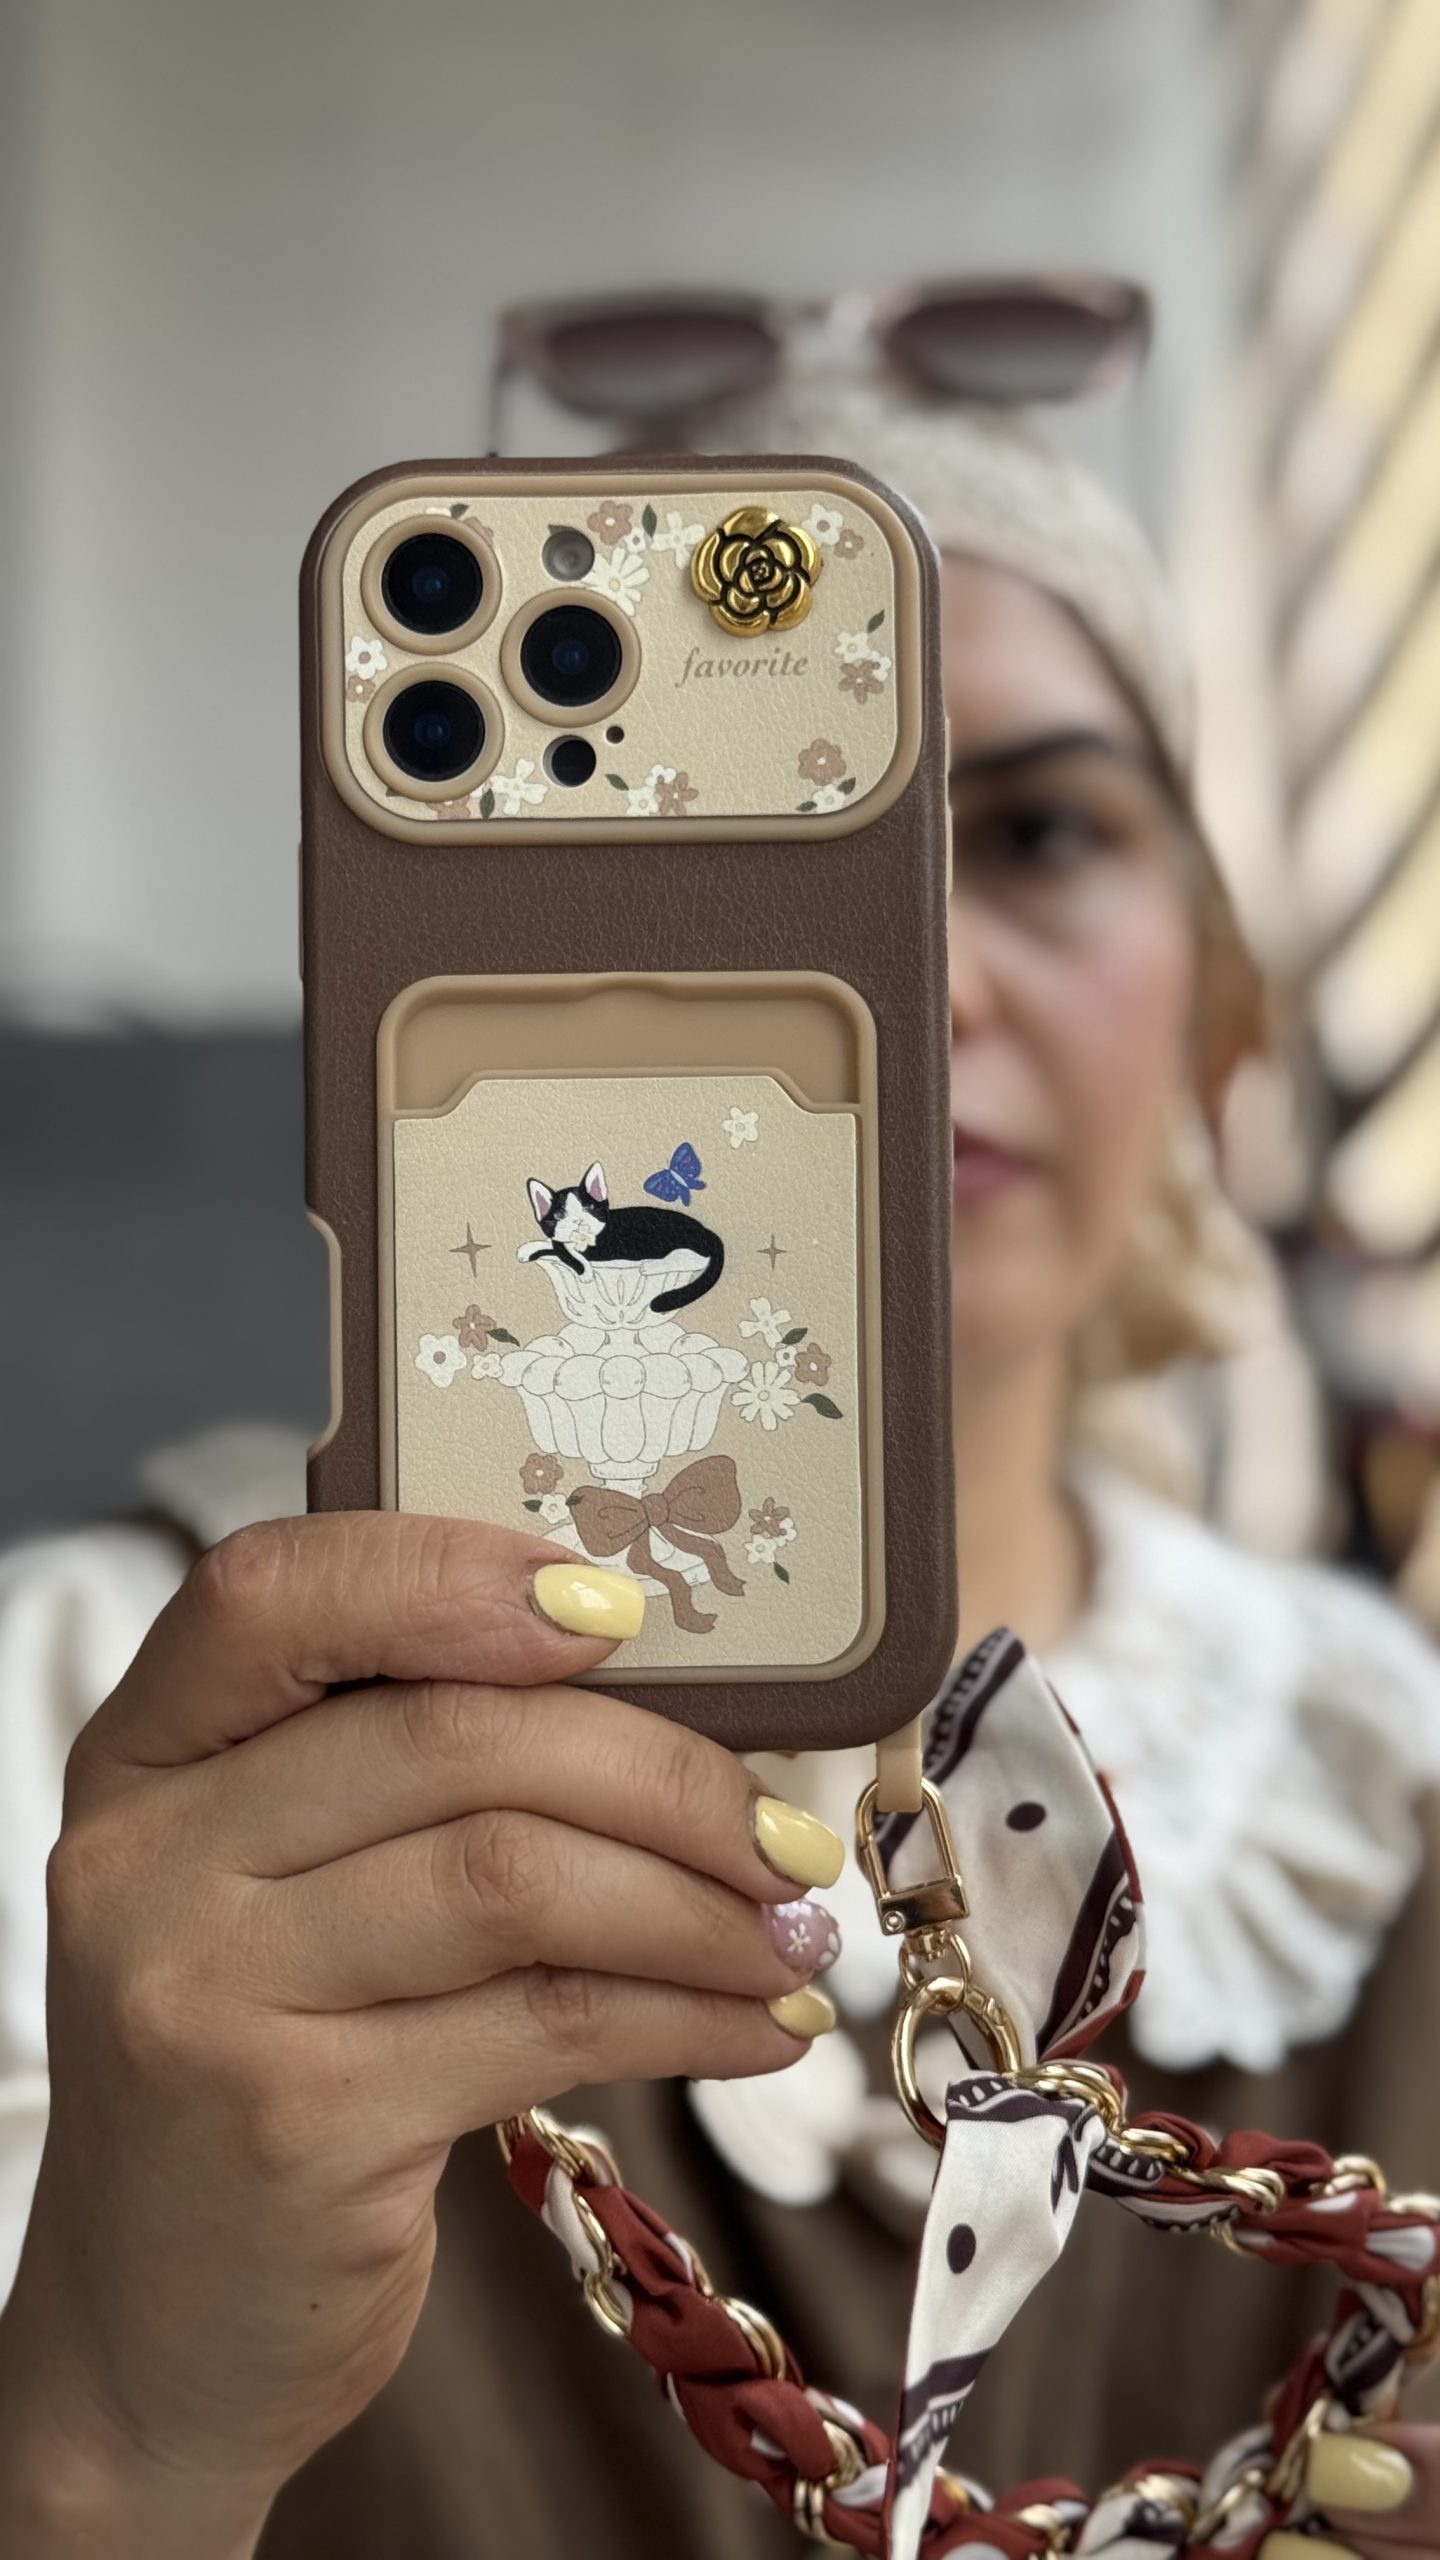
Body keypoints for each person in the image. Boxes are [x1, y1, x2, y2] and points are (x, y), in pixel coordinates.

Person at [2, 375, 1439, 2560]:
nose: (918, 974)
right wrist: (110, 2439)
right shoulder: (71, 1718)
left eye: (1040, 833)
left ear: (1220, 1015)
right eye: (769, 850)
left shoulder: (1386, 1778)